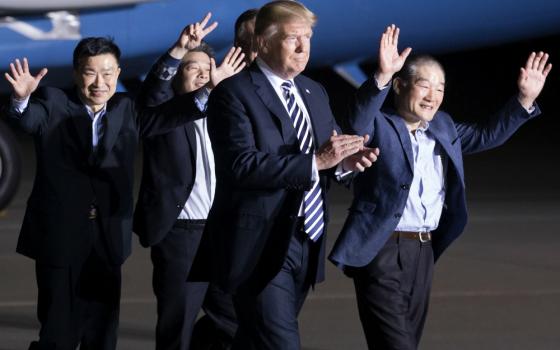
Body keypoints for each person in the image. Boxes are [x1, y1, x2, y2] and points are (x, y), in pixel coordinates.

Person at [329, 25, 552, 349]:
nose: (432, 95)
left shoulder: (443, 126)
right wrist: (380, 75)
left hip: (423, 250)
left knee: (406, 340)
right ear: (400, 86)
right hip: (382, 248)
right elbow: (357, 122)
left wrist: (524, 99)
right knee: (397, 344)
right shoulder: (380, 124)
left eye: (440, 88)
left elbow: (486, 135)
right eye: (424, 85)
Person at [190, 1, 379, 348]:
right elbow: (240, 165)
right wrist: (317, 162)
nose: (304, 47)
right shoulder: (234, 93)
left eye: (308, 37)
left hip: (307, 239)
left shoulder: (314, 92)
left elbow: (326, 156)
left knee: (254, 340)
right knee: (281, 343)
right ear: (262, 42)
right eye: (293, 38)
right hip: (260, 244)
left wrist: (344, 164)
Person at [3, 34, 206, 349]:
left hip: (108, 240)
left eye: (108, 73)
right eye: (90, 73)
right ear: (76, 74)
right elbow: (29, 121)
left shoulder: (126, 108)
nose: (100, 82)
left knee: (103, 337)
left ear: (118, 74)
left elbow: (170, 114)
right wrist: (20, 100)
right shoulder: (54, 101)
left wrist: (206, 89)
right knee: (58, 336)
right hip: (60, 240)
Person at [132, 13, 245, 350]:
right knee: (176, 327)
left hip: (225, 232)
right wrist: (178, 51)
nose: (200, 73)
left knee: (237, 322)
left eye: (207, 69)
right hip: (182, 235)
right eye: (190, 68)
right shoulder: (164, 115)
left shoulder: (230, 117)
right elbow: (153, 92)